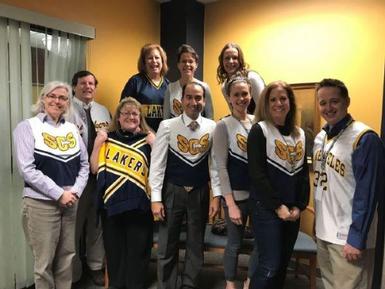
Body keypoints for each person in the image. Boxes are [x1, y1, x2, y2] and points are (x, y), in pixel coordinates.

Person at [13, 81, 89, 289]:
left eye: (63, 98)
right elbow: (27, 169)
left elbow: (84, 164)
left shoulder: (72, 129)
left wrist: (75, 191)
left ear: (68, 103)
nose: (57, 101)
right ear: (43, 99)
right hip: (40, 204)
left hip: (70, 202)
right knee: (44, 263)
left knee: (67, 258)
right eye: (52, 96)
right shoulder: (27, 127)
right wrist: (58, 193)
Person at [313, 78, 385, 289]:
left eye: (334, 101)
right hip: (324, 231)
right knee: (328, 284)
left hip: (348, 237)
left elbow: (369, 193)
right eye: (323, 102)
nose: (328, 107)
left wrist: (356, 237)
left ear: (347, 102)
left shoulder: (364, 138)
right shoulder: (320, 138)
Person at [150, 81, 221, 289]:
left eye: (198, 98)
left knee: (195, 243)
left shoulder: (212, 126)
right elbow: (157, 164)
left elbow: (215, 164)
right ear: (181, 101)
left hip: (199, 192)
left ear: (204, 101)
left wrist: (216, 196)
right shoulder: (167, 126)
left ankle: (190, 284)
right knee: (167, 243)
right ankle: (167, 285)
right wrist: (155, 199)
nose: (193, 102)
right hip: (172, 191)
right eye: (189, 97)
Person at [247, 81, 309, 289]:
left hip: (291, 210)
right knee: (270, 265)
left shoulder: (299, 134)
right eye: (273, 99)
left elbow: (302, 175)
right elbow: (257, 175)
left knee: (283, 265)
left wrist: (299, 206)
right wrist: (277, 206)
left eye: (283, 98)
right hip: (266, 208)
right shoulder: (260, 131)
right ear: (265, 103)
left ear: (290, 102)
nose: (278, 103)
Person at [90, 97, 155, 289]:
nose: (130, 116)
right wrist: (97, 144)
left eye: (135, 113)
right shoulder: (107, 139)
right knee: (115, 252)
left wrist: (155, 143)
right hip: (112, 206)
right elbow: (94, 169)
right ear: (117, 117)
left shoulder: (147, 139)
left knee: (138, 251)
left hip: (139, 206)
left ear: (140, 117)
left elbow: (160, 168)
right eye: (125, 113)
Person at [212, 75, 258, 289]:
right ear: (229, 98)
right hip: (235, 198)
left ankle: (249, 281)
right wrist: (229, 204)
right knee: (234, 244)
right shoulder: (223, 125)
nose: (241, 98)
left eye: (245, 94)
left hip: (258, 197)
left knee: (260, 243)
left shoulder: (258, 122)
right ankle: (230, 283)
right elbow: (221, 166)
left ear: (250, 95)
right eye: (236, 95)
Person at [67, 70, 111, 286]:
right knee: (74, 227)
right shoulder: (65, 110)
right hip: (76, 179)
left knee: (96, 224)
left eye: (91, 83)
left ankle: (95, 266)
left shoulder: (103, 111)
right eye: (83, 83)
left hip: (100, 178)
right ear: (74, 86)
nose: (88, 87)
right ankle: (74, 273)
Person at [121, 43, 169, 131]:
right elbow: (123, 110)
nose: (154, 61)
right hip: (140, 135)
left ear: (162, 61)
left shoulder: (168, 85)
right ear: (144, 62)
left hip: (163, 137)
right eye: (150, 58)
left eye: (157, 57)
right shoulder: (135, 81)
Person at [163, 44, 213, 119]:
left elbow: (210, 118)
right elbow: (165, 119)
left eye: (190, 61)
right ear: (178, 65)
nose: (187, 64)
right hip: (175, 130)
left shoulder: (204, 88)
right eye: (183, 61)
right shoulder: (170, 88)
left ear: (196, 65)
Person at [217, 43, 265, 114]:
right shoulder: (225, 87)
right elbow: (234, 112)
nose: (231, 61)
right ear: (222, 61)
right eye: (227, 58)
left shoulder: (252, 78)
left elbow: (263, 109)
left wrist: (253, 124)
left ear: (240, 60)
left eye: (235, 58)